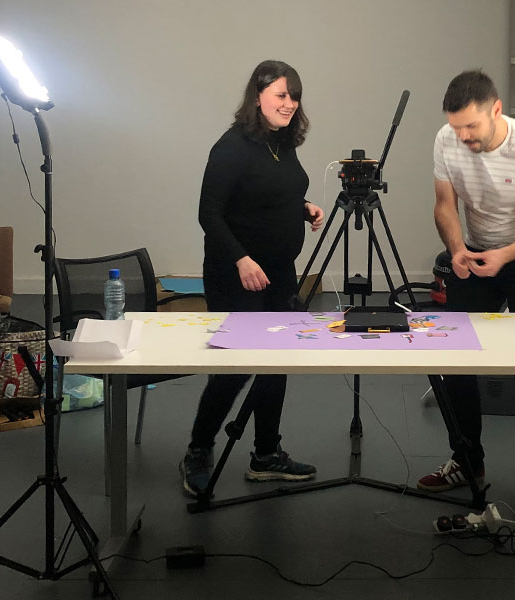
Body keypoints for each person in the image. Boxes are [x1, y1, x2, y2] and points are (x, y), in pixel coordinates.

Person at [417, 70, 515, 520]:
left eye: (471, 127)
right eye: (456, 127)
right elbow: (445, 204)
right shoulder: (446, 139)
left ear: (495, 110)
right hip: (475, 251)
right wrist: (456, 249)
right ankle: (466, 460)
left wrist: (504, 256)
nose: (463, 137)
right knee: (456, 359)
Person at [180, 60, 325, 498]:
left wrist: (303, 207)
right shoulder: (232, 147)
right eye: (281, 95)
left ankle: (265, 455)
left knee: (276, 361)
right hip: (235, 273)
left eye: (294, 96)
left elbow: (273, 190)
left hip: (279, 272)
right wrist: (242, 259)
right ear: (258, 95)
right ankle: (198, 451)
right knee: (234, 366)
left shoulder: (281, 143)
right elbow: (210, 212)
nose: (289, 103)